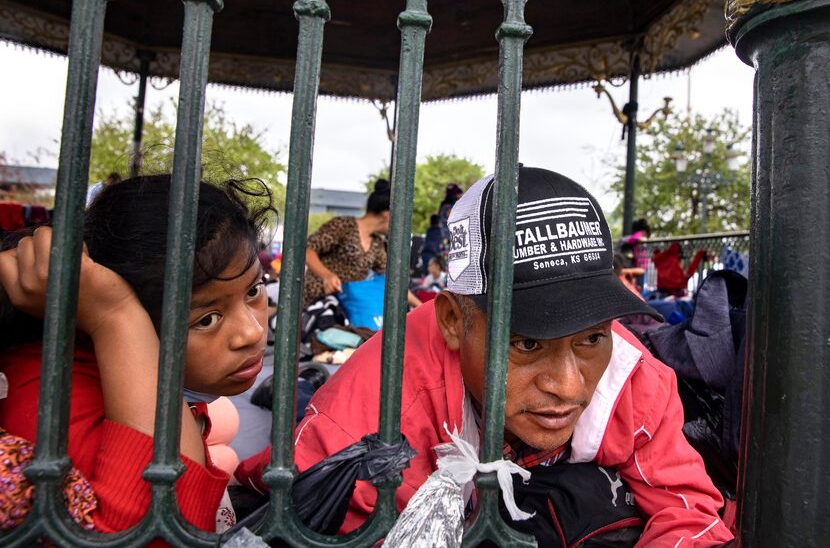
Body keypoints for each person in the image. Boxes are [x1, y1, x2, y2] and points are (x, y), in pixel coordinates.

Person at [236, 167, 733, 546]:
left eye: (591, 338)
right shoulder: (374, 420)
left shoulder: (633, 377)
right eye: (527, 343)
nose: (568, 386)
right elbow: (309, 521)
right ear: (453, 320)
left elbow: (690, 513)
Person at [0, 174, 275, 535]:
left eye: (254, 289)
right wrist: (115, 314)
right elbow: (160, 534)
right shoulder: (52, 400)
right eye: (206, 319)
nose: (253, 332)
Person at [303, 178, 421, 308]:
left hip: (341, 309)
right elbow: (309, 249)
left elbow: (392, 282)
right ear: (387, 215)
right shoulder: (343, 225)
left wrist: (423, 308)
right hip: (313, 302)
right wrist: (327, 275)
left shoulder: (377, 244)